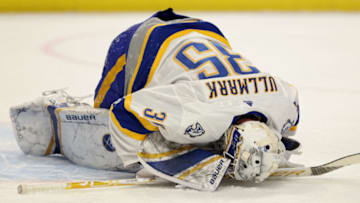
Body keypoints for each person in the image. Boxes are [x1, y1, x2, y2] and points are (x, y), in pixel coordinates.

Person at [9, 9, 301, 191]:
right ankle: (52, 116)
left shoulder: (284, 99)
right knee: (105, 119)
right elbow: (123, 113)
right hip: (141, 43)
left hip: (205, 33)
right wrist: (142, 163)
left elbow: (284, 132)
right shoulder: (192, 109)